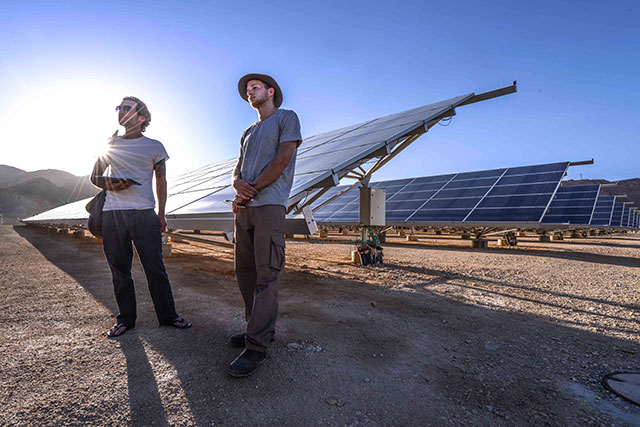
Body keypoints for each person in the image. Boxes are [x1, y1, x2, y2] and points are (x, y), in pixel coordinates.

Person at [90, 96, 191, 338]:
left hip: (145, 214)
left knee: (155, 268)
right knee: (120, 270)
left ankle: (168, 316)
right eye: (119, 108)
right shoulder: (111, 145)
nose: (121, 111)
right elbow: (94, 177)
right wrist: (112, 185)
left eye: (127, 108)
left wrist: (161, 213)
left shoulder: (155, 146)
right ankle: (126, 319)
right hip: (113, 214)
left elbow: (161, 180)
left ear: (142, 117)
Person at [228, 73, 302, 377]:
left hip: (269, 206)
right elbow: (237, 172)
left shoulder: (286, 118)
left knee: (266, 274)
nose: (250, 92)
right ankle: (256, 330)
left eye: (255, 87)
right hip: (244, 208)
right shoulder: (247, 131)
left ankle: (256, 346)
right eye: (247, 90)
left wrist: (253, 188)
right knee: (244, 272)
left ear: (270, 91)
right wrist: (239, 186)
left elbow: (284, 158)